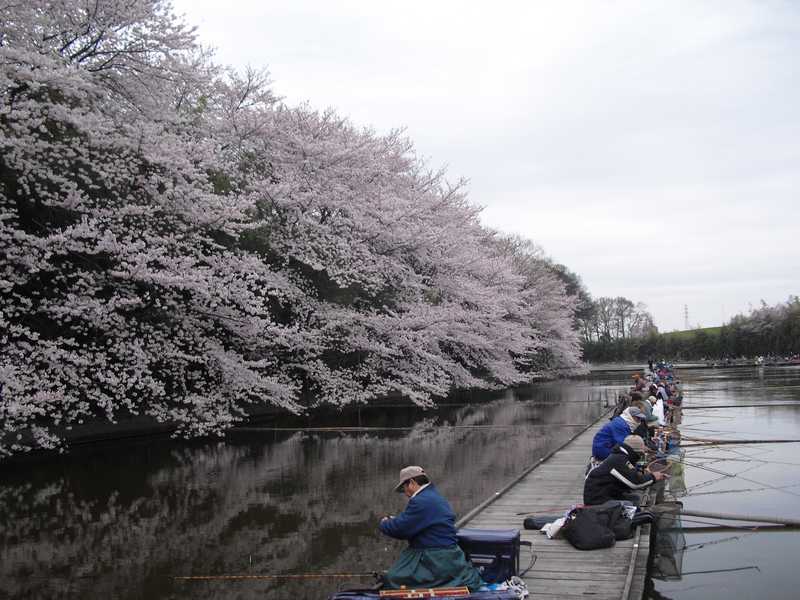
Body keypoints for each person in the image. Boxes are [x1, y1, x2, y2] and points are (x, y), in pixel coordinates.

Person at [379, 466, 483, 591]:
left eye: (404, 488)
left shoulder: (420, 501)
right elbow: (414, 521)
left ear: (412, 483)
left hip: (435, 557)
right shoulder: (434, 496)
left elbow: (401, 530)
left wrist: (384, 523)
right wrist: (396, 520)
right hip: (450, 554)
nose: (405, 493)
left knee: (392, 578)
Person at [584, 435, 668, 505]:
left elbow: (630, 476)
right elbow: (635, 483)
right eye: (640, 454)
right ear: (634, 452)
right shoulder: (619, 460)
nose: (639, 457)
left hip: (607, 495)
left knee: (635, 498)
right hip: (597, 501)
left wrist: (644, 474)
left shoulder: (619, 456)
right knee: (629, 505)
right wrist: (653, 477)